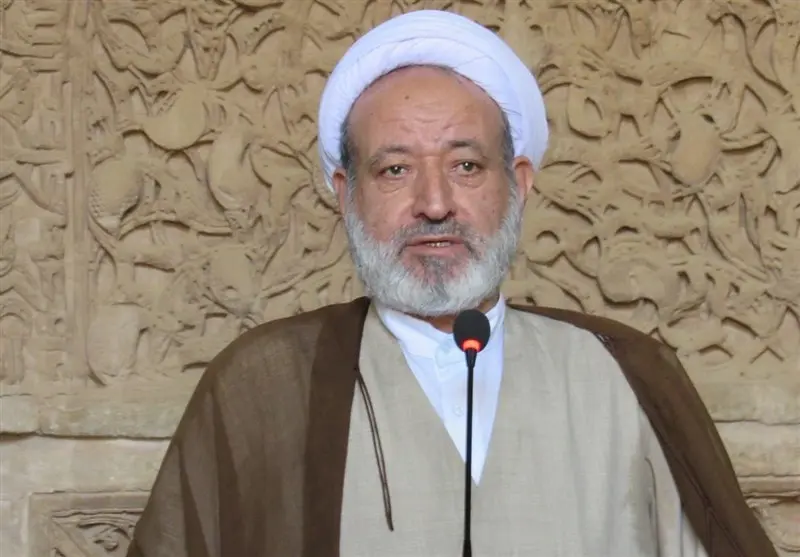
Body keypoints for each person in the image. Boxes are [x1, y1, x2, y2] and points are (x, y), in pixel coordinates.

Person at [126, 9, 777, 557]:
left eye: (466, 165)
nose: (434, 203)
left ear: (517, 184)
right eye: (395, 170)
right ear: (346, 194)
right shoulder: (263, 386)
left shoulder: (625, 376)